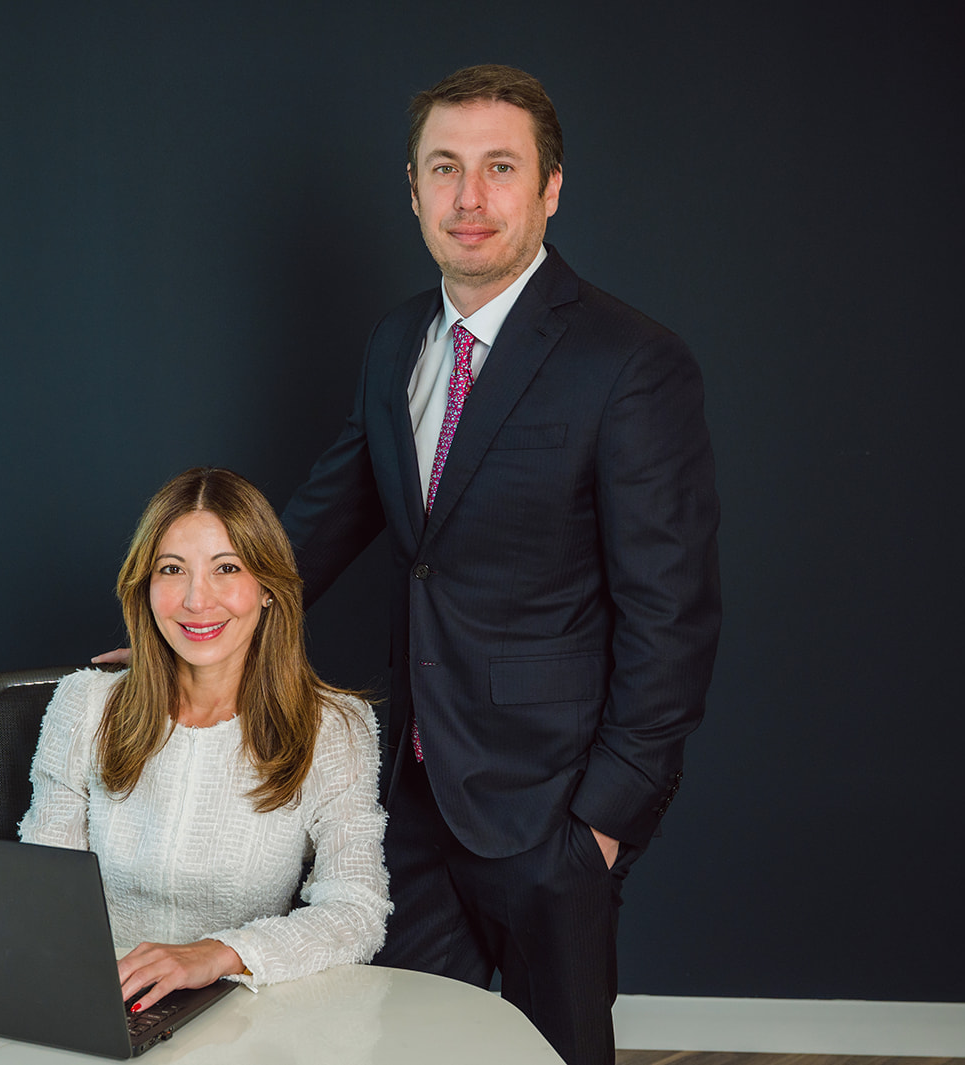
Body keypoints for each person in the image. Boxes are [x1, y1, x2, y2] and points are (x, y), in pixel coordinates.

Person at [278, 65, 723, 1065]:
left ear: (549, 188)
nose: (469, 199)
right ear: (411, 186)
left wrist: (602, 827)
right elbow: (319, 521)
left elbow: (673, 615)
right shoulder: (397, 342)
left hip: (550, 808)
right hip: (413, 792)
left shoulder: (628, 361)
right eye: (445, 168)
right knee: (398, 1046)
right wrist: (195, 628)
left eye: (498, 168)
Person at [21, 467, 390, 1015]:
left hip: (245, 1012)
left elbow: (357, 909)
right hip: (94, 1000)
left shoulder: (335, 728)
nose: (197, 599)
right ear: (145, 587)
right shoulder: (85, 705)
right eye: (173, 570)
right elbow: (40, 887)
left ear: (267, 588)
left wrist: (218, 953)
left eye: (227, 568)